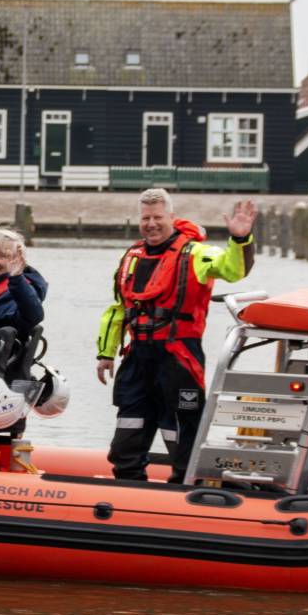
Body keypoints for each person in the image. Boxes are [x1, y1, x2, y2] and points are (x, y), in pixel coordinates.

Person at [96, 188, 257, 484]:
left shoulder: (196, 253)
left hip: (178, 356)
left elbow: (233, 270)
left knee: (182, 428)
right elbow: (119, 309)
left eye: (158, 217)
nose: (151, 224)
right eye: (146, 218)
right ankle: (128, 485)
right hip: (138, 357)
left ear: (171, 216)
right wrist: (106, 353)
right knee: (129, 430)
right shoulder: (132, 257)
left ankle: (186, 487)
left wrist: (239, 239)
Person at [0, 228, 47, 341]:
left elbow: (33, 316)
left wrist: (17, 278)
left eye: (1, 256)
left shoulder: (21, 290)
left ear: (18, 259)